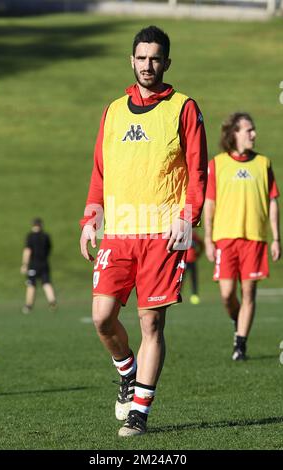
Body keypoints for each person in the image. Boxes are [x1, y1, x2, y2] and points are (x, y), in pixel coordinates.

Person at [80, 26, 208, 437]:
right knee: (102, 318)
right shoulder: (112, 111)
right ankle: (127, 371)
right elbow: (100, 171)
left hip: (161, 233)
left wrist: (187, 217)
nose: (147, 64)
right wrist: (90, 220)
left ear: (167, 63)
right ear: (131, 60)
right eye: (141, 57)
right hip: (118, 232)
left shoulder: (185, 108)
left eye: (155, 58)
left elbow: (198, 170)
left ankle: (139, 411)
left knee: (151, 325)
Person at [204, 112, 281, 361]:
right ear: (233, 134)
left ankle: (240, 344)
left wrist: (276, 238)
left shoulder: (263, 163)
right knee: (227, 295)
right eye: (248, 130)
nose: (254, 134)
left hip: (255, 238)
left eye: (253, 129)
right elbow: (210, 203)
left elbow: (272, 202)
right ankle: (239, 321)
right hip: (225, 238)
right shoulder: (217, 164)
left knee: (249, 293)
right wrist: (207, 238)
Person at [20, 218, 57, 314]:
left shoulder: (30, 236)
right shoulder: (46, 236)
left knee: (31, 284)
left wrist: (24, 264)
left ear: (33, 225)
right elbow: (49, 249)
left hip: (33, 264)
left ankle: (28, 305)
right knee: (46, 283)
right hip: (44, 263)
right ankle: (52, 302)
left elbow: (27, 251)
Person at [186, 229, 204, 305]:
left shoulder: (193, 235)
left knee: (194, 278)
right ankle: (176, 295)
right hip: (183, 261)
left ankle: (194, 294)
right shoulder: (180, 234)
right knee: (180, 280)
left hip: (192, 260)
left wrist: (198, 253)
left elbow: (201, 244)